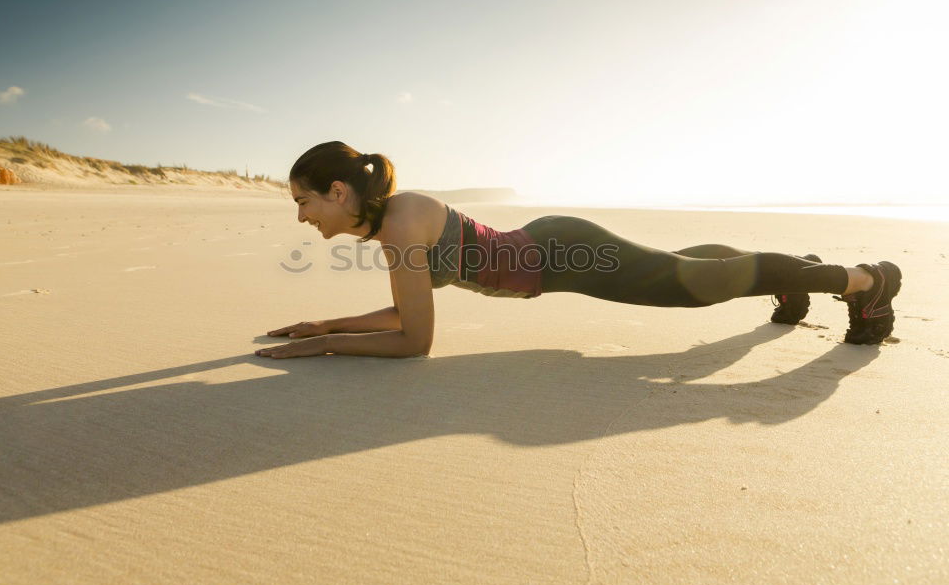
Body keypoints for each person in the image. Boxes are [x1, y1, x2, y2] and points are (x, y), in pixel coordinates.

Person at [256, 141, 902, 359]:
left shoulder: (398, 227)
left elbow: (414, 343)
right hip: (555, 251)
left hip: (562, 256)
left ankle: (864, 281)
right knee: (682, 266)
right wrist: (328, 324)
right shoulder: (393, 227)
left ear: (338, 192)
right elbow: (405, 312)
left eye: (303, 201)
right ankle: (797, 278)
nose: (302, 216)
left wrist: (328, 346)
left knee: (686, 285)